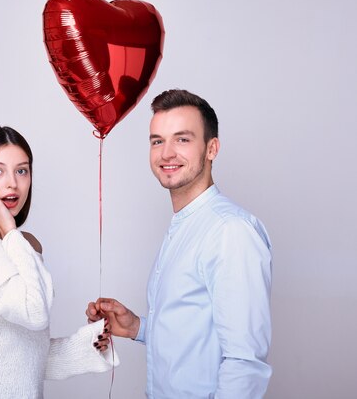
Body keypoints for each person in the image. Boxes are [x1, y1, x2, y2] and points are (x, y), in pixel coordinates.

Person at [86, 89, 272, 398]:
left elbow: (245, 362)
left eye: (182, 139)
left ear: (212, 148)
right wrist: (137, 328)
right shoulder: (184, 225)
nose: (167, 153)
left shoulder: (230, 231)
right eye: (158, 141)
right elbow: (196, 333)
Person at [0, 125, 118, 399]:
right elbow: (34, 313)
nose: (12, 183)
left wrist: (90, 342)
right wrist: (10, 230)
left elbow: (25, 356)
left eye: (21, 170)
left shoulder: (27, 245)